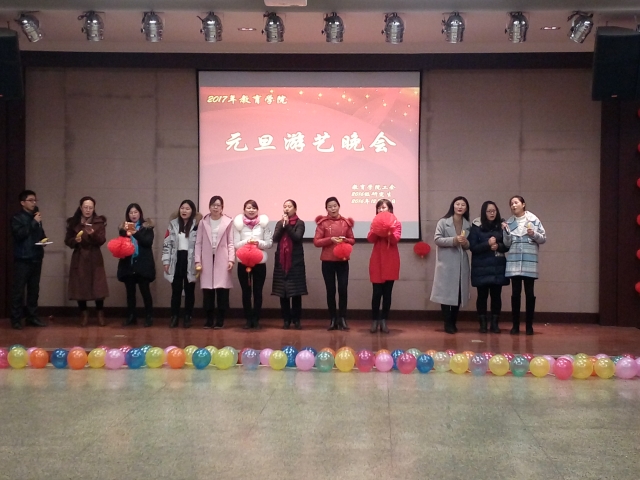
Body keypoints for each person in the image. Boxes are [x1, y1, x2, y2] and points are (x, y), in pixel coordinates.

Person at [502, 195, 546, 335]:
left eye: (516, 202)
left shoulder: (534, 219)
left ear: (523, 204)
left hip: (529, 262)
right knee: (515, 294)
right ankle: (515, 325)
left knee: (530, 294)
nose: (513, 205)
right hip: (514, 261)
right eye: (511, 203)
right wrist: (506, 233)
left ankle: (529, 326)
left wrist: (533, 234)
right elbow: (506, 244)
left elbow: (543, 238)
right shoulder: (509, 222)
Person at [64, 196, 109, 327]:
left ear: (94, 208)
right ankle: (84, 314)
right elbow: (67, 240)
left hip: (94, 256)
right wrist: (75, 241)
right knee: (80, 286)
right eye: (85, 207)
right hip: (80, 257)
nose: (88, 210)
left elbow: (101, 240)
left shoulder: (99, 222)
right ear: (80, 208)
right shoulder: (73, 222)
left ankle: (100, 314)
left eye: (90, 208)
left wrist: (92, 234)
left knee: (98, 287)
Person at [430, 196, 471, 334]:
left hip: (461, 263)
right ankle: (447, 323)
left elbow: (469, 245)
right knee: (446, 294)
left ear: (466, 208)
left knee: (458, 294)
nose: (460, 207)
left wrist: (465, 243)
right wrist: (453, 240)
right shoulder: (443, 222)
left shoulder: (468, 224)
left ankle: (453, 321)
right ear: (453, 206)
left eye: (463, 205)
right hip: (446, 263)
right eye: (457, 204)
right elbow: (437, 239)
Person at [313, 196, 355, 331]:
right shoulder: (322, 223)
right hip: (327, 261)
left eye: (335, 206)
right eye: (330, 206)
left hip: (342, 261)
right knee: (330, 290)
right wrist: (330, 239)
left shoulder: (345, 222)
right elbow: (316, 242)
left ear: (339, 206)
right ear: (326, 209)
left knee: (343, 289)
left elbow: (352, 240)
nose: (333, 209)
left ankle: (342, 318)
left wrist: (345, 240)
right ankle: (332, 319)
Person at [468, 201, 509, 334]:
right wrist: (487, 244)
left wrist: (499, 246)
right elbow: (473, 247)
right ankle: (483, 324)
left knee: (496, 296)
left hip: (497, 266)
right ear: (483, 213)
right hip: (481, 267)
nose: (492, 213)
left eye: (494, 211)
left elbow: (507, 245)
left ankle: (495, 324)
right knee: (482, 296)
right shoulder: (476, 227)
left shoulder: (502, 226)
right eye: (489, 211)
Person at [9, 190, 48, 330]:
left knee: (34, 290)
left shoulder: (35, 217)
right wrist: (33, 222)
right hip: (23, 258)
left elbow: (40, 233)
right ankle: (16, 319)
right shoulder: (17, 218)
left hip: (36, 257)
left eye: (35, 200)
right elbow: (19, 234)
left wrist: (44, 240)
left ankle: (32, 317)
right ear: (22, 202)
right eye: (31, 200)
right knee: (18, 290)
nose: (34, 203)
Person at [195, 196, 234, 329]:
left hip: (222, 259)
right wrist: (197, 261)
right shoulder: (203, 222)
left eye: (218, 205)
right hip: (206, 259)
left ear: (222, 208)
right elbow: (198, 243)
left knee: (222, 292)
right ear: (209, 207)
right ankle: (209, 320)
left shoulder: (228, 222)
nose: (215, 207)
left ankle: (220, 320)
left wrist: (231, 259)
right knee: (208, 292)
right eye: (213, 205)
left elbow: (230, 242)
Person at [233, 200, 273, 330]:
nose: (251, 210)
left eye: (254, 208)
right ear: (244, 209)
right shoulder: (238, 225)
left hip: (259, 262)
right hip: (243, 262)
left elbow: (269, 243)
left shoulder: (263, 224)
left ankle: (256, 319)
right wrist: (246, 241)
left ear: (257, 210)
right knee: (246, 292)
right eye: (248, 208)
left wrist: (258, 242)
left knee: (258, 291)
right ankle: (248, 319)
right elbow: (235, 244)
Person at [162, 200, 201, 329]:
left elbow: (200, 245)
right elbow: (167, 244)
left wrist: (198, 262)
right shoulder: (173, 224)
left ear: (192, 211)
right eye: (182, 208)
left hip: (190, 260)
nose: (184, 211)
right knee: (176, 291)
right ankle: (174, 316)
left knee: (190, 291)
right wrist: (166, 261)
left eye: (187, 209)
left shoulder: (197, 225)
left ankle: (188, 316)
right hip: (176, 259)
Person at [117, 203, 156, 327]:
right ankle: (131, 316)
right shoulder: (123, 229)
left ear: (140, 213)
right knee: (130, 293)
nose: (133, 215)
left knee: (145, 291)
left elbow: (147, 242)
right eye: (131, 213)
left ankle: (149, 317)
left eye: (135, 212)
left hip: (143, 264)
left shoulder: (147, 227)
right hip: (128, 264)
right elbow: (120, 245)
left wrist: (134, 232)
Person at [271, 199, 307, 329]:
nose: (287, 208)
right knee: (283, 292)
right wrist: (283, 225)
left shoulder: (300, 223)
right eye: (285, 206)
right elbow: (275, 238)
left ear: (295, 209)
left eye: (289, 206)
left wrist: (287, 226)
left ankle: (296, 320)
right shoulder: (279, 223)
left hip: (295, 262)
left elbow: (297, 237)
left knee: (296, 293)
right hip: (281, 262)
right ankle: (286, 320)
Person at [367, 199, 401, 334]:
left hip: (391, 261)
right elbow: (370, 239)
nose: (381, 210)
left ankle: (384, 320)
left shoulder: (396, 223)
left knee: (387, 294)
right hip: (377, 261)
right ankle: (374, 320)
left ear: (390, 209)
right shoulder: (374, 223)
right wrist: (377, 229)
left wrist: (388, 231)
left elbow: (395, 240)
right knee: (376, 293)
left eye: (384, 207)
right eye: (379, 208)